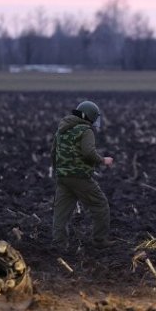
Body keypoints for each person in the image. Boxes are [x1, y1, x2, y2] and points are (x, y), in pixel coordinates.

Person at [51, 100, 115, 250]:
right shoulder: (86, 131)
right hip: (79, 177)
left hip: (63, 177)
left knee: (61, 212)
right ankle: (100, 240)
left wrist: (59, 171)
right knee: (100, 204)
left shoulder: (62, 129)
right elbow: (88, 152)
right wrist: (103, 160)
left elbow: (53, 152)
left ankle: (59, 244)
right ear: (90, 116)